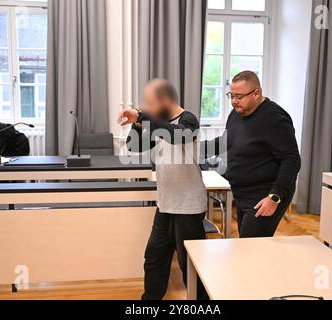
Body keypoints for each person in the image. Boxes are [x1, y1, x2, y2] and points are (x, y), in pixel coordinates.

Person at [118, 79, 207, 300]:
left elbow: (176, 136)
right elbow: (134, 146)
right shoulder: (156, 122)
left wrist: (144, 117)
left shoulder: (188, 120)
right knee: (154, 258)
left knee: (192, 267)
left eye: (149, 103)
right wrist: (137, 124)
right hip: (165, 205)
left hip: (188, 207)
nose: (146, 107)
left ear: (165, 100)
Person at [203, 71, 301, 238]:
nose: (234, 101)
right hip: (242, 193)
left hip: (264, 195)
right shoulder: (237, 113)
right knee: (247, 247)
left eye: (239, 96)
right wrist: (191, 148)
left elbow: (291, 160)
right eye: (231, 95)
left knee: (250, 249)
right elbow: (226, 141)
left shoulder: (275, 118)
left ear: (256, 93)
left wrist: (274, 197)